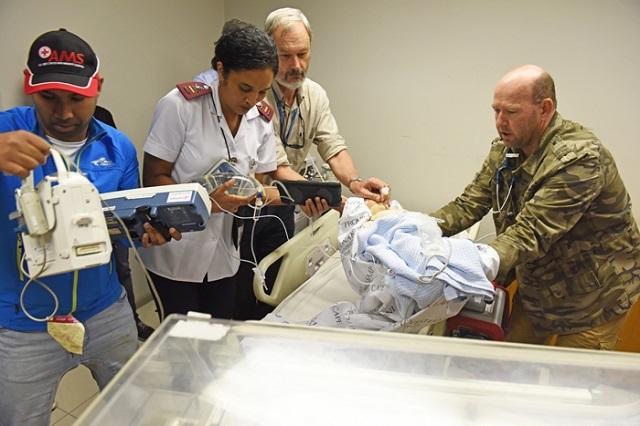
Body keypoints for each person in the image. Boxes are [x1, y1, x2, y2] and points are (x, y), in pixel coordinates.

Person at [0, 29, 176, 424]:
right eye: (49, 97)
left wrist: (145, 232)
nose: (63, 113)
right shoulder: (7, 134)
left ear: (97, 89)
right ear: (29, 86)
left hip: (106, 311)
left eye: (77, 99)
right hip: (22, 323)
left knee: (133, 409)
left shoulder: (118, 148)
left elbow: (123, 227)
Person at [195, 9, 391, 320]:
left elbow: (334, 147)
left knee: (274, 287)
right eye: (285, 56)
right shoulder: (254, 97)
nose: (295, 65)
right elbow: (276, 168)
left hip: (285, 202)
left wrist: (355, 182)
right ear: (269, 53)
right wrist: (336, 201)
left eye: (302, 54)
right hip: (245, 204)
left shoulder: (314, 95)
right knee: (242, 289)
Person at [430, 64, 640, 350]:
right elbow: (470, 203)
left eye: (512, 112)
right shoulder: (507, 148)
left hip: (593, 299)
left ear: (545, 108)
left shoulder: (581, 159)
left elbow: (530, 232)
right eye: (496, 111)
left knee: (569, 385)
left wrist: (472, 263)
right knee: (511, 365)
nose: (500, 122)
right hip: (540, 288)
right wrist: (419, 228)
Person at [139, 25, 281, 320]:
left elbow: (255, 186)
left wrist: (290, 197)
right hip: (176, 254)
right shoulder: (180, 107)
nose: (252, 100)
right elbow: (152, 179)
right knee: (182, 347)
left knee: (216, 340)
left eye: (263, 91)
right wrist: (208, 203)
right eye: (245, 88)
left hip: (225, 257)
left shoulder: (261, 120)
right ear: (221, 70)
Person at [93, 105, 155, 341]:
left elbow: (128, 189)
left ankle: (132, 318)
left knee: (121, 268)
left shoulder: (104, 120)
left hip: (112, 216)